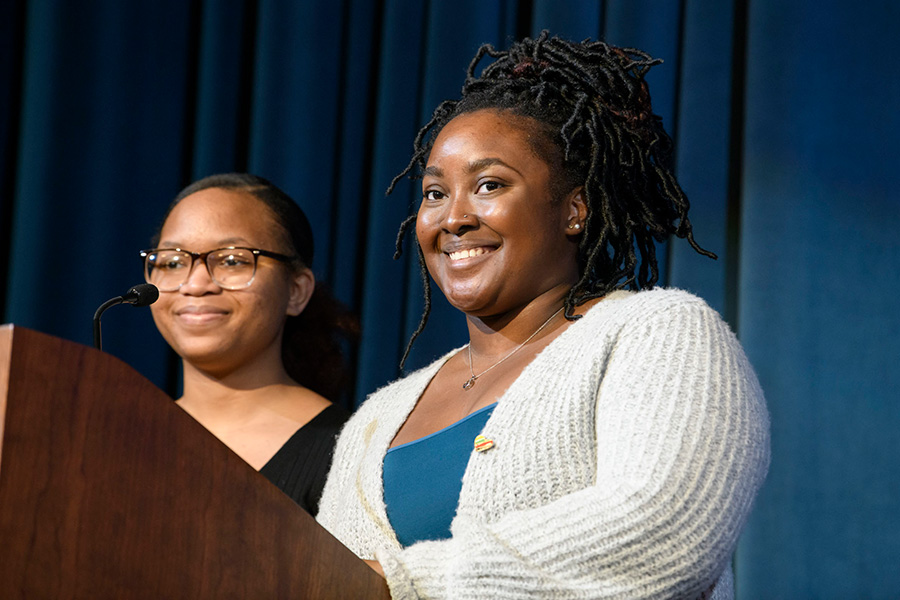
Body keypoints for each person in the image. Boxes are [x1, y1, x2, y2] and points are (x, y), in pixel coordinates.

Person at [316, 32, 770, 599]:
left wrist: (408, 585)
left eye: (489, 185)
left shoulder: (658, 334)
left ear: (574, 209)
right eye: (434, 193)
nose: (453, 218)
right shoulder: (376, 419)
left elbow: (662, 537)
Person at [143, 173, 355, 514]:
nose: (195, 285)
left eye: (231, 261)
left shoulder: (352, 453)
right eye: (172, 262)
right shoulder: (119, 436)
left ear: (297, 290)